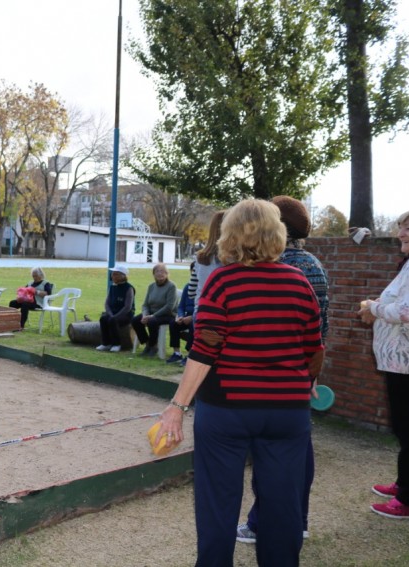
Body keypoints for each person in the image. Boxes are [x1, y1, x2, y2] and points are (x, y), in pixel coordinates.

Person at [153, 199, 324, 566]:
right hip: (287, 413)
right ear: (276, 234)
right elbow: (314, 348)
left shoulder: (223, 282)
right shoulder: (299, 283)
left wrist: (177, 407)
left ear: (230, 235)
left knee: (218, 502)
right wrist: (307, 381)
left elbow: (204, 349)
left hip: (227, 410)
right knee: (283, 505)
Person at [236, 195, 331, 544]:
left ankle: (262, 523)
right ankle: (298, 520)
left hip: (269, 381)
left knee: (270, 458)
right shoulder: (313, 264)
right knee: (297, 451)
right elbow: (319, 328)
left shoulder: (278, 267)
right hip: (301, 374)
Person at [358, 208, 409, 521]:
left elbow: (407, 312)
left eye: (408, 228)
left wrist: (373, 307)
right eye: (400, 227)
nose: (400, 234)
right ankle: (408, 484)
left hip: (408, 363)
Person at [131, 263, 177, 357]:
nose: (160, 273)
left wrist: (152, 316)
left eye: (162, 271)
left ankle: (154, 346)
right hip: (151, 313)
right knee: (135, 320)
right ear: (153, 274)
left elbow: (169, 307)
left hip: (167, 314)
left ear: (167, 273)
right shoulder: (151, 286)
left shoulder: (171, 286)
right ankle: (148, 343)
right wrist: (145, 315)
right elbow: (145, 304)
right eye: (157, 271)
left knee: (152, 321)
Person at [96, 264, 136, 352]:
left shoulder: (129, 288)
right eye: (113, 273)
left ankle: (116, 344)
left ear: (123, 276)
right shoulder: (112, 287)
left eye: (116, 274)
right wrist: (110, 314)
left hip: (126, 315)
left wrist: (115, 316)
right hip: (113, 313)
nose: (113, 276)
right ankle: (106, 343)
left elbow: (127, 307)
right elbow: (107, 303)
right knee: (103, 319)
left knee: (112, 321)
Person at [193, 210, 225, 319]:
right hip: (219, 315)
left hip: (200, 311)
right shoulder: (229, 260)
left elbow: (191, 291)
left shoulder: (199, 257)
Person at [166, 262, 196, 365]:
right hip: (186, 315)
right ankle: (177, 353)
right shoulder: (188, 287)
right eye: (193, 271)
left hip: (197, 317)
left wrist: (192, 317)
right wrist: (180, 316)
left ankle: (190, 355)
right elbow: (181, 306)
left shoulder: (204, 287)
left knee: (193, 325)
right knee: (173, 323)